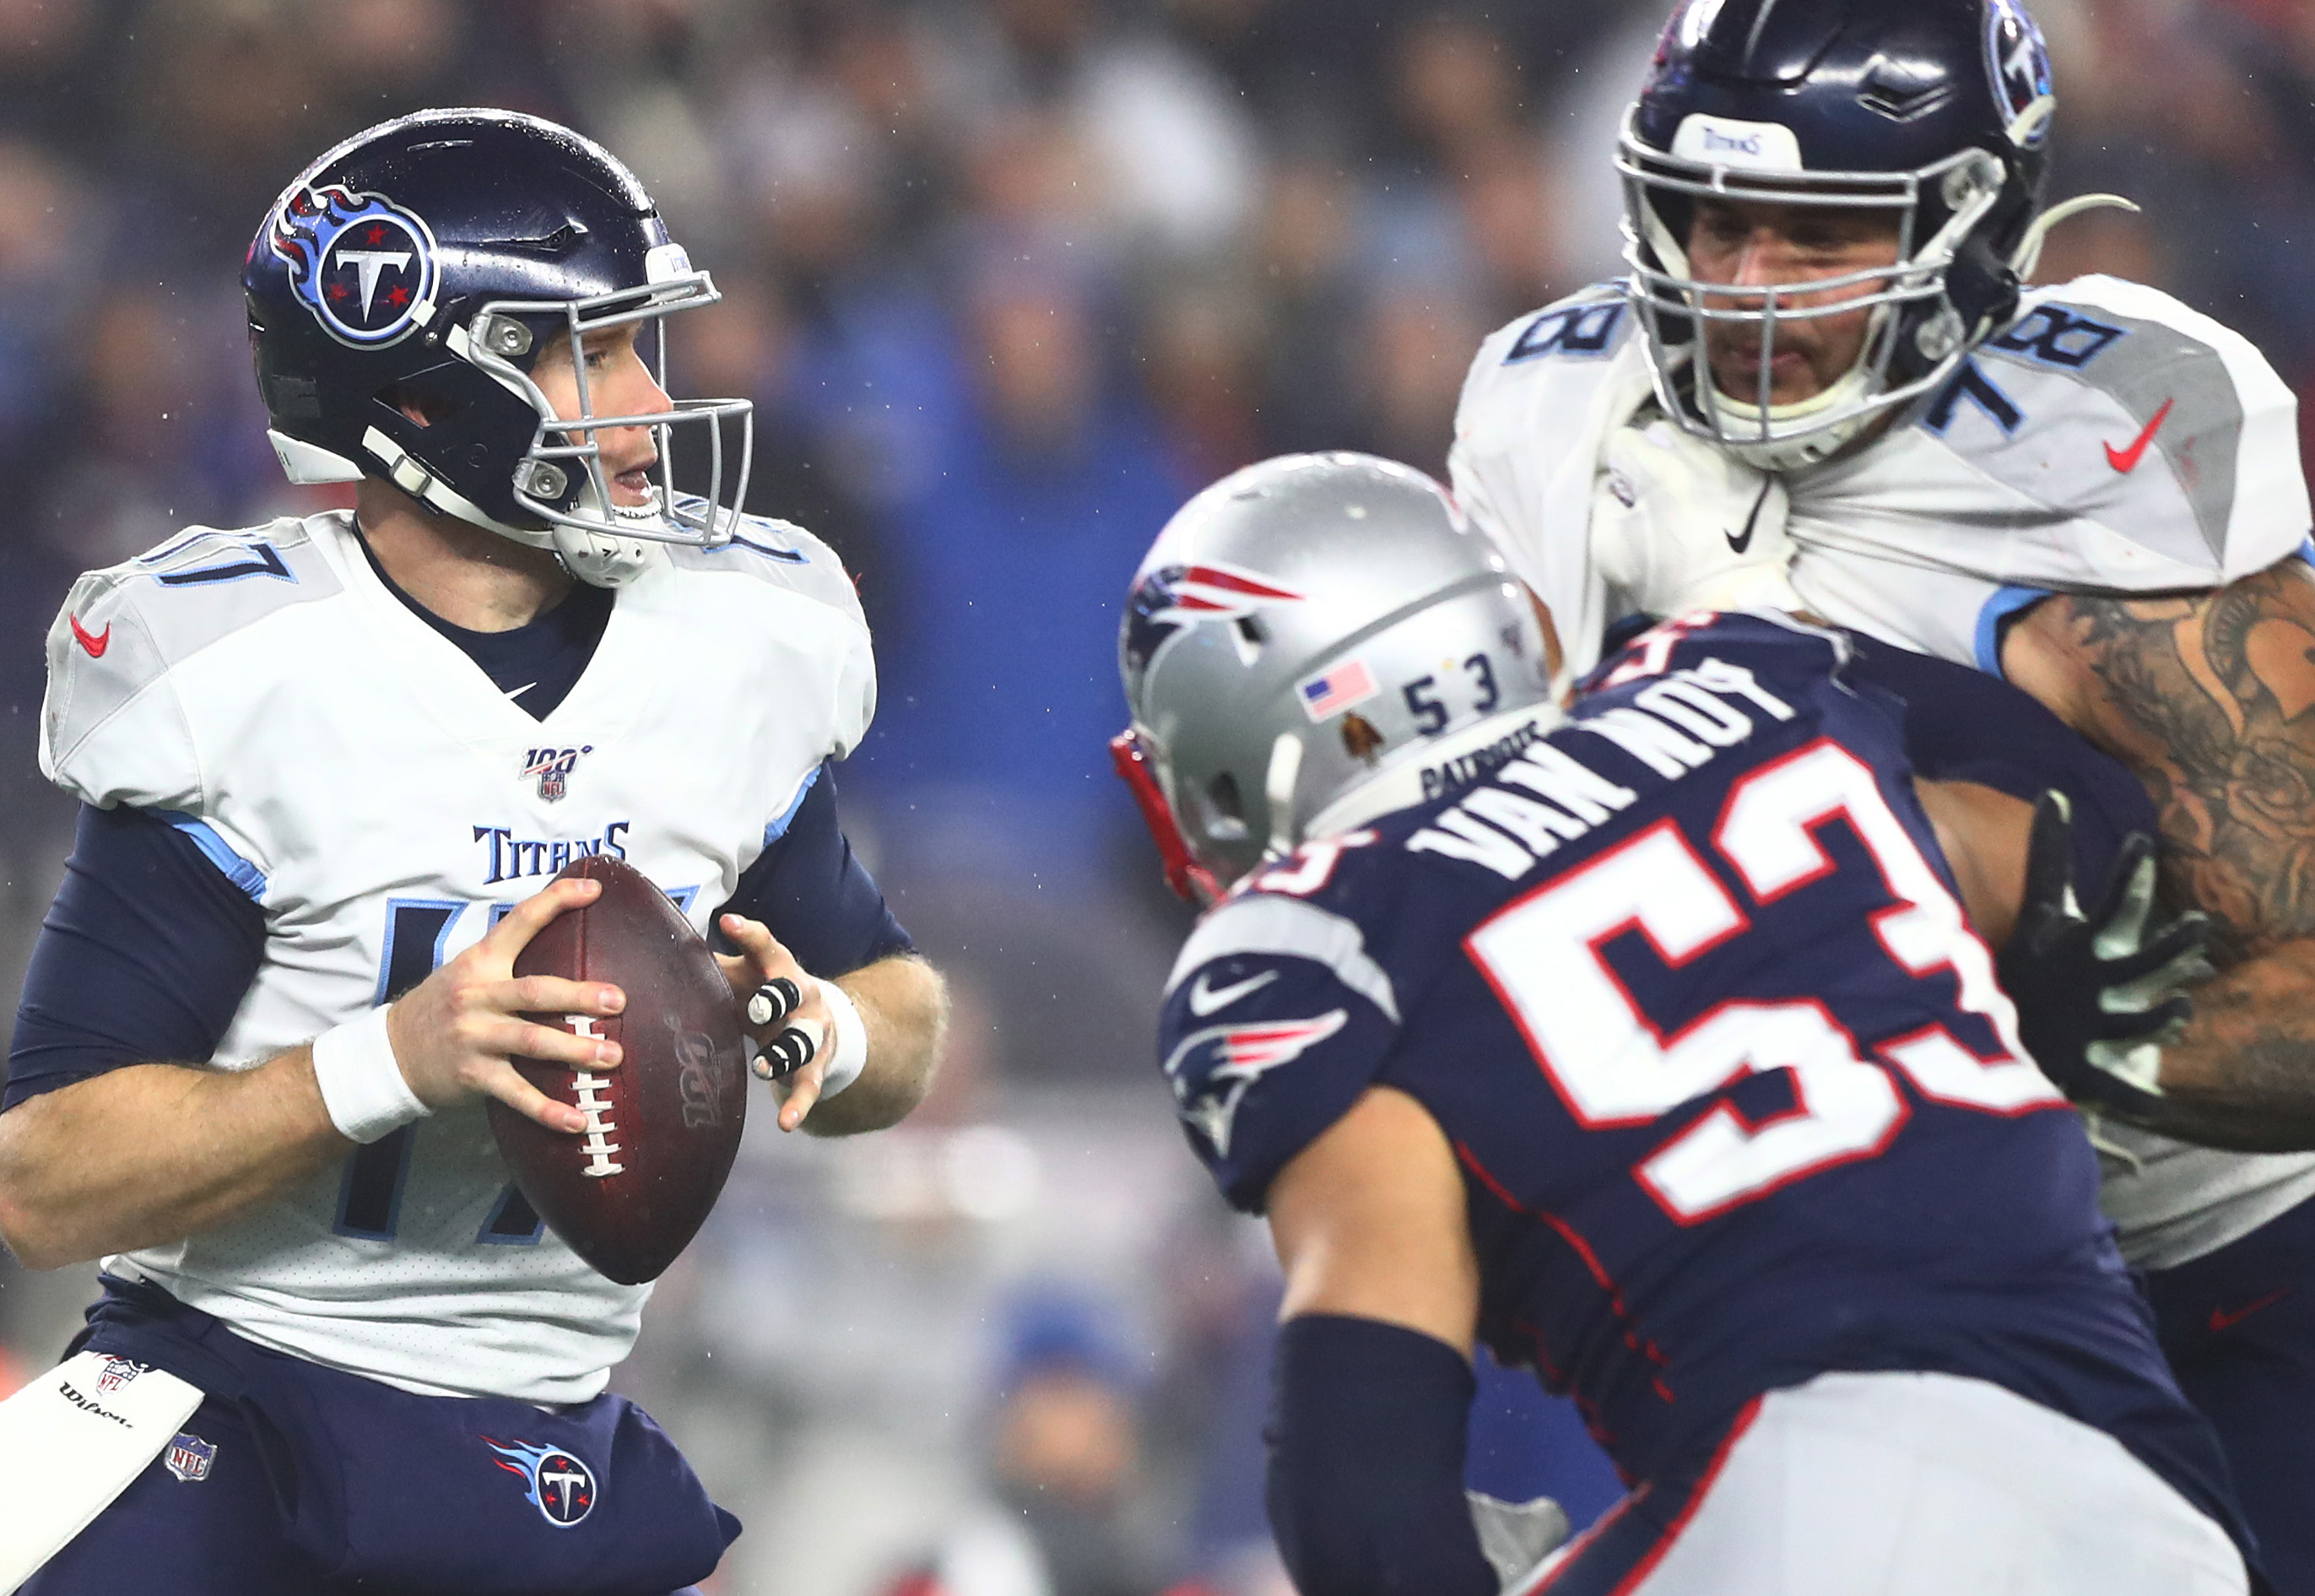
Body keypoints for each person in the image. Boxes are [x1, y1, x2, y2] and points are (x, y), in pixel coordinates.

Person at [0, 108, 945, 1594]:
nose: (647, 403)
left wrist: (823, 1030)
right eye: (594, 352)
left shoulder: (731, 650)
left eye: (647, 346)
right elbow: (46, 1182)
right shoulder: (253, 674)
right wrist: (393, 1062)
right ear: (432, 390)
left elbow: (901, 1016)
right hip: (242, 1402)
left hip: (549, 1437)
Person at [1448, 0, 2315, 1582]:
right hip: (1852, 1254)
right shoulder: (1549, 406)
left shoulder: (2121, 428)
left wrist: (2019, 1028)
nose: (1746, 284)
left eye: (1817, 232)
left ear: (1974, 224)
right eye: (1715, 221)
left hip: (2221, 1248)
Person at [1114, 452, 2248, 1594]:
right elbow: (2079, 839)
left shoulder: (1328, 937)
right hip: (2155, 1500)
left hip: (1819, 1501)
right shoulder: (1748, 675)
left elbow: (1363, 1469)